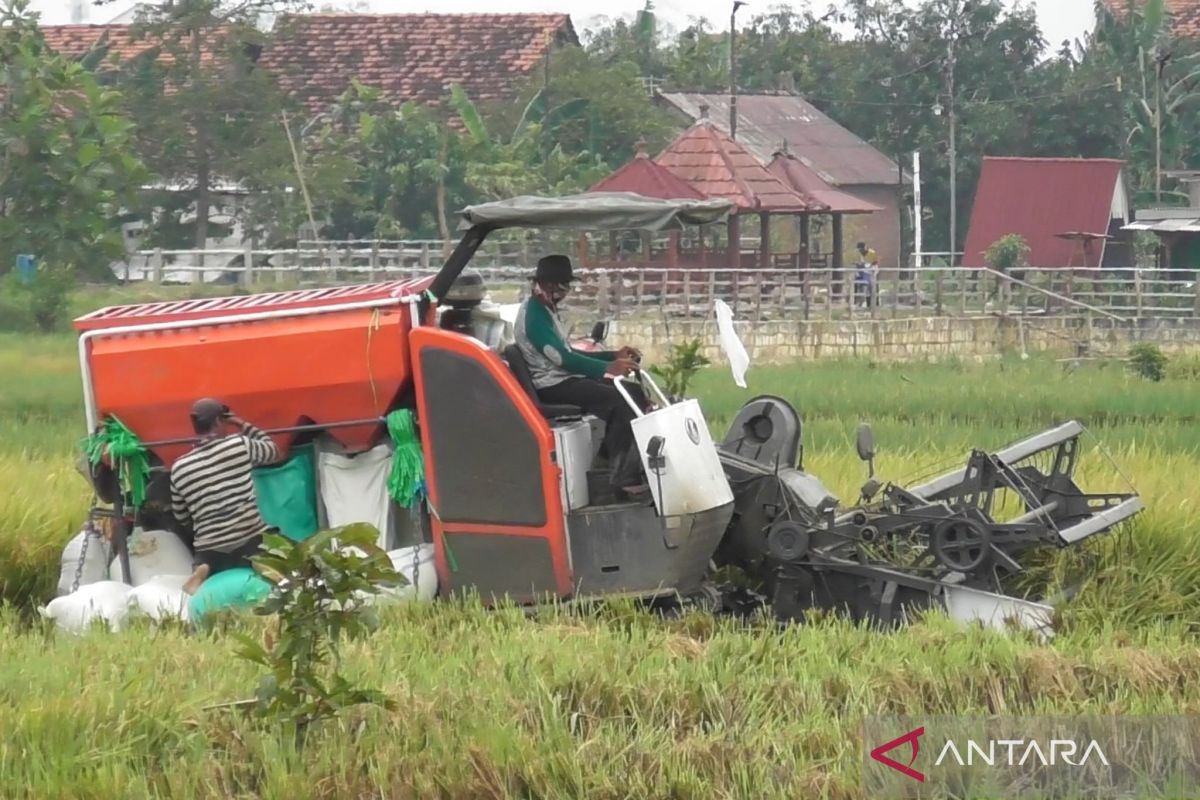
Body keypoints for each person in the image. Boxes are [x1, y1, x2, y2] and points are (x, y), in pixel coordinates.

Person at [515, 254, 650, 497]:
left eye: (565, 286)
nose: (563, 292)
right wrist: (608, 369)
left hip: (563, 377)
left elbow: (568, 354)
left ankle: (607, 461)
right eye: (558, 286)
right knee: (622, 402)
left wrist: (612, 356)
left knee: (635, 393)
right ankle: (619, 477)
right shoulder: (534, 315)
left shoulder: (546, 310)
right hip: (551, 384)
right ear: (543, 284)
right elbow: (562, 359)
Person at [171, 398, 279, 594]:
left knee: (208, 552)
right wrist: (241, 424)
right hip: (249, 536)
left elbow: (180, 516)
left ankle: (203, 567)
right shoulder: (238, 444)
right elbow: (273, 451)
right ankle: (261, 562)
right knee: (274, 546)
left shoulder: (179, 467)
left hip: (210, 547)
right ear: (220, 422)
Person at [854, 241, 879, 308]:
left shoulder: (871, 252)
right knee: (866, 289)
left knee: (873, 289)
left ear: (864, 247)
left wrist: (867, 265)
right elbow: (862, 264)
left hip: (872, 272)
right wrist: (859, 265)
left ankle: (875, 304)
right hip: (865, 273)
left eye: (861, 249)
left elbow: (875, 262)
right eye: (859, 249)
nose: (860, 251)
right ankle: (867, 305)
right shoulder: (861, 255)